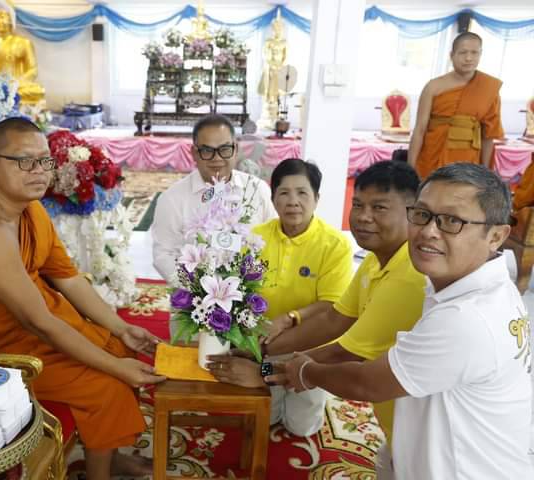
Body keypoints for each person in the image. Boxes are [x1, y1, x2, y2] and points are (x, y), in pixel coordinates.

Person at [0, 118, 165, 480]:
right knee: (108, 383)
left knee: (117, 346)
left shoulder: (30, 209)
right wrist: (117, 369)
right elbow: (39, 322)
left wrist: (121, 327)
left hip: (28, 325)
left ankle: (107, 458)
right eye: (24, 161)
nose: (39, 171)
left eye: (44, 160)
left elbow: (68, 278)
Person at [266, 163, 533, 479]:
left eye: (452, 221)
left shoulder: (462, 315)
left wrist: (277, 367)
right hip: (421, 443)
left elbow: (361, 374)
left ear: (496, 235)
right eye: (422, 214)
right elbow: (336, 318)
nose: (429, 230)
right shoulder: (458, 282)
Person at [209, 161, 424, 469]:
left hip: (426, 430)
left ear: (413, 213)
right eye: (358, 205)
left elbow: (344, 353)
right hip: (397, 419)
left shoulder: (406, 276)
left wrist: (262, 370)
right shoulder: (374, 261)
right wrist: (257, 349)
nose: (364, 217)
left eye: (379, 207)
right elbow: (334, 320)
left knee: (302, 426)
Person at [210, 158, 352, 436]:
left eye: (302, 193)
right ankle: (271, 383)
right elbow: (236, 288)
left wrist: (291, 318)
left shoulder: (335, 245)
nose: (293, 201)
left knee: (301, 427)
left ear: (316, 198)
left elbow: (331, 305)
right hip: (260, 344)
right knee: (267, 417)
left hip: (309, 345)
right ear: (273, 199)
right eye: (284, 193)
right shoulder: (255, 237)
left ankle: (309, 389)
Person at [151, 114, 277, 286]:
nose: (217, 158)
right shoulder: (172, 199)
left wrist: (252, 285)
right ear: (194, 153)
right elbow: (163, 255)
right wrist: (197, 289)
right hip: (195, 298)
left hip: (252, 294)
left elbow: (275, 241)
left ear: (236, 149)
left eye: (224, 149)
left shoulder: (257, 190)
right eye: (207, 150)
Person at [409, 32, 504, 179]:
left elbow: (488, 135)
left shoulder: (489, 88)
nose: (468, 58)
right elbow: (419, 129)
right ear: (452, 55)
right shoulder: (433, 86)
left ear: (480, 54)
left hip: (469, 160)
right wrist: (410, 168)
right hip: (434, 154)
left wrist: (485, 172)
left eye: (474, 53)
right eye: (462, 52)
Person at [0, 9, 45, 105]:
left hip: (17, 85)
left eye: (2, 16)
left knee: (38, 91)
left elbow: (33, 70)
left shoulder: (24, 42)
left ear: (11, 20)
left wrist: (17, 83)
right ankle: (2, 95)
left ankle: (7, 95)